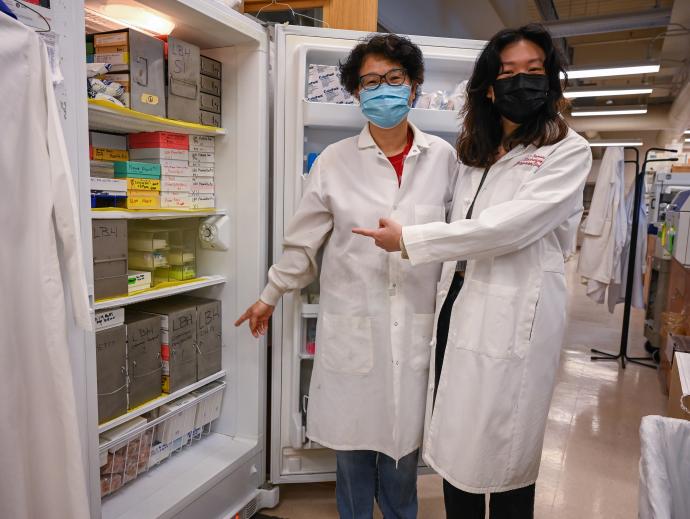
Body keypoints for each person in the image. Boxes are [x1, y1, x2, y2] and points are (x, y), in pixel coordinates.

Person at [353, 24, 592, 519]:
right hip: (457, 305)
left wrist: (411, 240)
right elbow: (458, 222)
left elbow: (506, 229)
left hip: (515, 313)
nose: (520, 82)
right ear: (488, 85)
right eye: (508, 73)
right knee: (458, 448)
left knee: (506, 454)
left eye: (534, 72)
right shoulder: (475, 154)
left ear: (550, 83)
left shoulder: (567, 150)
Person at [235, 34, 459, 518]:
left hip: (416, 325)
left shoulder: (445, 158)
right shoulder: (335, 161)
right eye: (371, 82)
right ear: (356, 94)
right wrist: (270, 295)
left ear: (415, 86)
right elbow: (304, 241)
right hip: (355, 320)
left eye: (394, 79)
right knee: (354, 450)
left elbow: (460, 239)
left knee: (403, 454)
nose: (383, 90)